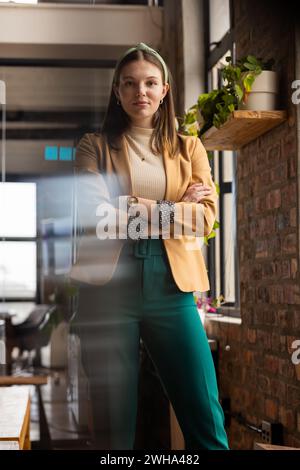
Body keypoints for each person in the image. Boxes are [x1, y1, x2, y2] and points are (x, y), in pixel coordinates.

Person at [69, 42, 230, 451]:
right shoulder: (93, 146)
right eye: (130, 83)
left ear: (164, 90)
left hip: (172, 287)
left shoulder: (189, 147)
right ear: (117, 91)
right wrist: (175, 210)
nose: (140, 91)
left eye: (150, 83)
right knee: (112, 430)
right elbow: (97, 217)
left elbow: (207, 218)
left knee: (205, 418)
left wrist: (133, 209)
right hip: (107, 290)